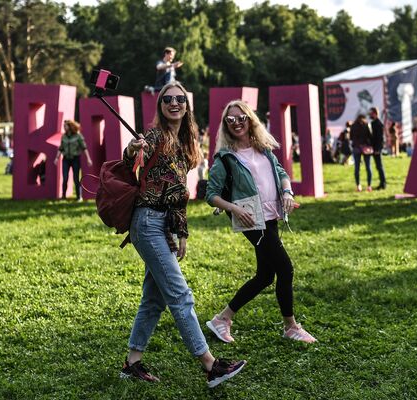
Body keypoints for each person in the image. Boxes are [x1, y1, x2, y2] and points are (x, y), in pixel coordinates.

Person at [120, 82, 246, 387]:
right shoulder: (155, 136)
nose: (174, 103)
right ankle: (210, 365)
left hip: (161, 225)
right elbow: (129, 159)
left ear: (186, 105)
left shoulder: (183, 143)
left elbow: (178, 195)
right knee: (180, 295)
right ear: (161, 105)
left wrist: (181, 233)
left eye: (180, 99)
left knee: (154, 299)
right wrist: (132, 149)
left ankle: (132, 364)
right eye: (168, 99)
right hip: (147, 222)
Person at [205, 100, 317, 344]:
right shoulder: (225, 158)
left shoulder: (264, 148)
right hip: (251, 219)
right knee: (285, 269)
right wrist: (234, 209)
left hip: (271, 215)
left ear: (250, 119)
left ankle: (222, 319)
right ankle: (290, 327)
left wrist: (287, 192)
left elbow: (282, 174)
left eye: (241, 117)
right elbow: (211, 194)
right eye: (230, 119)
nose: (237, 123)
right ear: (225, 125)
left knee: (266, 275)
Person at [53, 120, 92, 200]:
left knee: (76, 178)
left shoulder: (78, 136)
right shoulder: (64, 136)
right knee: (65, 177)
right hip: (66, 159)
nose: (64, 127)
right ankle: (63, 196)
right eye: (64, 126)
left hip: (75, 159)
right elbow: (61, 148)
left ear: (70, 126)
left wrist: (88, 158)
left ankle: (79, 197)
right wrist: (57, 158)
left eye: (65, 126)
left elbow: (84, 148)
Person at [350, 114, 373, 192]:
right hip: (366, 147)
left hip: (356, 147)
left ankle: (358, 185)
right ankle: (369, 186)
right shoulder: (366, 125)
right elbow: (370, 136)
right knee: (368, 167)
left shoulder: (353, 126)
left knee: (357, 168)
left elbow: (351, 137)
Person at [369, 107, 386, 189]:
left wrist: (378, 149)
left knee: (379, 166)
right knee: (378, 166)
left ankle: (383, 183)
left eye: (371, 113)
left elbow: (380, 138)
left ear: (375, 113)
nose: (370, 115)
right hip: (375, 148)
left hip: (377, 149)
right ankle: (382, 183)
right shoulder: (374, 123)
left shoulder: (378, 124)